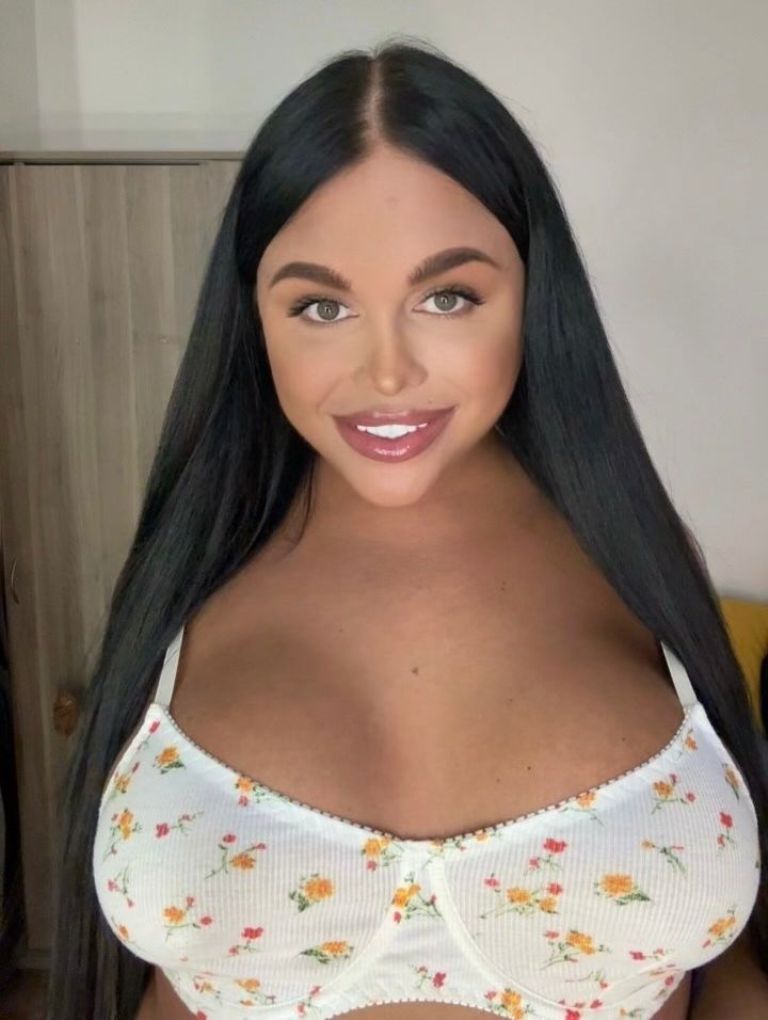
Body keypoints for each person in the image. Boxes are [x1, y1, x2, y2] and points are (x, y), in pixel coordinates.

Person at [48, 38, 766, 1020]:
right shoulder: (192, 567)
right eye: (321, 305)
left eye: (447, 296)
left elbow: (726, 969)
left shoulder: (634, 556)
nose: (387, 372)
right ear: (253, 316)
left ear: (533, 297)